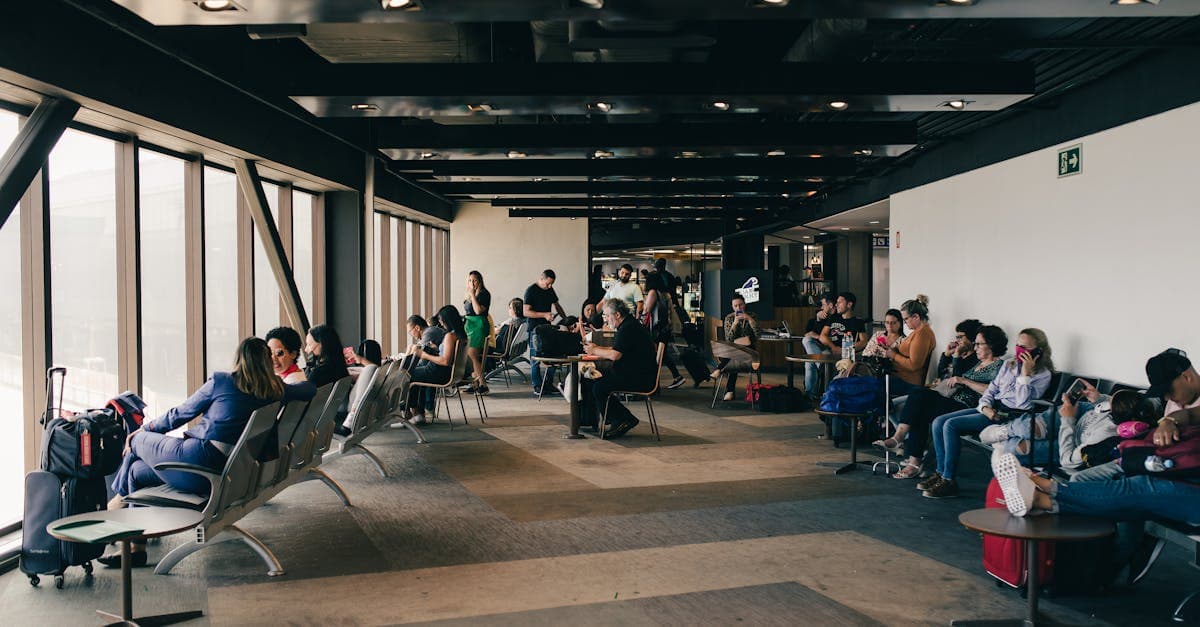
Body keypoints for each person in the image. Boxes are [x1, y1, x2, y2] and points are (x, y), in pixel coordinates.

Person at [104, 338, 316, 567]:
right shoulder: (274, 389)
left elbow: (179, 414)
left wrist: (145, 430)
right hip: (227, 475)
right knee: (136, 470)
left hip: (199, 463)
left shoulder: (222, 381)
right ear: (266, 361)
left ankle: (115, 505)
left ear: (239, 359)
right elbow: (309, 388)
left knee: (137, 440)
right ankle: (136, 547)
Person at [921, 328, 1054, 498]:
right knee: (939, 421)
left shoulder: (1043, 375)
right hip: (991, 409)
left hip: (1010, 415)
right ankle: (940, 473)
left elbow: (1023, 404)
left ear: (1038, 351)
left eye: (1025, 348)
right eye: (1018, 345)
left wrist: (1025, 374)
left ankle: (948, 480)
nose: (1020, 350)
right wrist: (985, 407)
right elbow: (991, 391)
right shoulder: (1008, 364)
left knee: (951, 425)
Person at [880, 325, 1007, 480]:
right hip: (952, 400)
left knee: (919, 396)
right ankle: (910, 456)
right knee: (919, 404)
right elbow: (954, 378)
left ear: (992, 345)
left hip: (969, 406)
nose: (975, 347)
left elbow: (993, 390)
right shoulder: (976, 364)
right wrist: (956, 356)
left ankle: (903, 445)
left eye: (979, 344)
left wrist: (964, 380)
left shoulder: (1000, 367)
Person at [581, 299, 659, 439]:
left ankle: (623, 419)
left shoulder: (628, 328)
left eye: (607, 316)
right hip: (633, 373)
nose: (606, 320)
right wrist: (597, 349)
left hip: (639, 378)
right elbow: (616, 349)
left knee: (599, 387)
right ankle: (589, 420)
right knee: (590, 379)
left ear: (617, 314)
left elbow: (615, 355)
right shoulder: (629, 325)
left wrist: (595, 350)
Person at [405, 306, 465, 425]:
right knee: (416, 373)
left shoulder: (450, 336)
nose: (440, 324)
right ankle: (418, 413)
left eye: (441, 321)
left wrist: (424, 355)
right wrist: (437, 349)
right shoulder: (460, 335)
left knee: (407, 374)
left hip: (439, 372)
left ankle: (412, 413)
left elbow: (445, 361)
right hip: (448, 372)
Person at [524, 269, 567, 396]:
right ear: (541, 279)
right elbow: (526, 312)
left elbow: (557, 305)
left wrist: (565, 320)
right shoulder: (531, 290)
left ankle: (548, 384)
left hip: (547, 329)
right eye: (547, 283)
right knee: (535, 359)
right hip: (534, 329)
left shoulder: (550, 289)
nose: (549, 286)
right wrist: (544, 315)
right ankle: (537, 385)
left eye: (551, 284)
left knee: (553, 356)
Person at [883, 295, 936, 396]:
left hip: (908, 382)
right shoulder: (917, 332)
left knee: (867, 384)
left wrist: (893, 355)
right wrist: (895, 349)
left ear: (916, 317)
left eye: (906, 319)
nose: (904, 323)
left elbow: (913, 365)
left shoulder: (923, 334)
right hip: (900, 376)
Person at [713, 294, 759, 402]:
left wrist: (750, 320)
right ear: (732, 307)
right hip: (734, 350)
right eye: (736, 306)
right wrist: (735, 323)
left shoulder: (752, 316)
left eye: (741, 305)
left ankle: (720, 371)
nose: (738, 308)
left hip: (750, 351)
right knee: (735, 354)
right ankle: (729, 391)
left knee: (734, 354)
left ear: (745, 304)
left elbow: (758, 335)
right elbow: (729, 339)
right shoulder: (729, 318)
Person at [642, 282, 686, 390]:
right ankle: (675, 377)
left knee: (659, 354)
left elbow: (646, 310)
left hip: (658, 330)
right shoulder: (664, 294)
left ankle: (657, 383)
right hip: (664, 329)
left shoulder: (653, 292)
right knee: (662, 354)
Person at [801, 293, 837, 396]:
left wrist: (817, 336)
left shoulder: (837, 318)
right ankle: (820, 363)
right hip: (819, 349)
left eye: (823, 304)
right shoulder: (820, 318)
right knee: (806, 340)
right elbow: (811, 333)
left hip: (830, 349)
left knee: (809, 361)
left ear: (830, 305)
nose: (821, 307)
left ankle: (810, 394)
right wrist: (818, 319)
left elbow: (826, 337)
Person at [462, 270, 492, 394]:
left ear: (479, 281)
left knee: (473, 354)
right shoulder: (469, 294)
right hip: (469, 325)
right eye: (470, 280)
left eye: (474, 280)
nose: (472, 283)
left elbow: (478, 311)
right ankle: (475, 383)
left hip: (479, 325)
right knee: (469, 356)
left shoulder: (484, 294)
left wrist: (473, 295)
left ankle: (483, 384)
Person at [817, 291, 868, 356]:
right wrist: (834, 348)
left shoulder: (858, 321)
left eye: (839, 302)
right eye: (836, 302)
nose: (836, 304)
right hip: (831, 350)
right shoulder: (833, 318)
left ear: (849, 304)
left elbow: (863, 342)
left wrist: (844, 350)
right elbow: (822, 336)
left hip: (849, 353)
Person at [303, 324, 350, 388]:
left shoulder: (318, 374)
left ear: (322, 344)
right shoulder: (339, 368)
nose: (306, 350)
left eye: (309, 345)